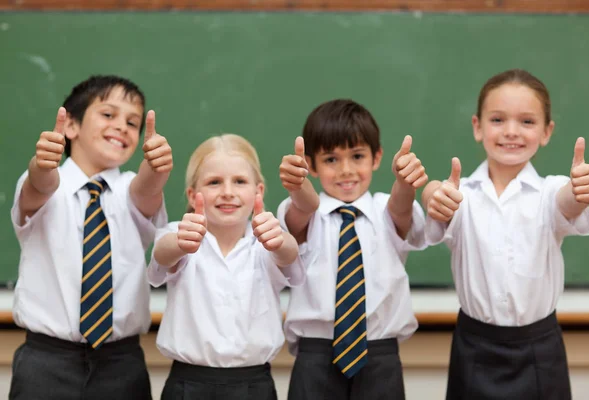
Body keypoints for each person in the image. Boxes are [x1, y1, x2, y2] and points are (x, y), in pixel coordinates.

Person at [422, 68, 589, 400]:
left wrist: (580, 189)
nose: (511, 132)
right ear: (477, 126)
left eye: (527, 122)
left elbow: (568, 202)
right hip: (473, 347)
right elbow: (437, 198)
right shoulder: (461, 195)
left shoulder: (552, 191)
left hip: (539, 350)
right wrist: (432, 192)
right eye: (498, 120)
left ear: (547, 132)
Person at [9, 75, 172, 400]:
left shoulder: (130, 189)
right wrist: (42, 163)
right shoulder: (45, 184)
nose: (122, 127)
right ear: (70, 125)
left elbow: (147, 189)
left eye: (133, 122)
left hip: (121, 363)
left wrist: (156, 169)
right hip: (46, 361)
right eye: (109, 115)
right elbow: (40, 184)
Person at [278, 99, 428, 399]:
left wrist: (405, 183)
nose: (346, 170)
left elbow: (401, 208)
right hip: (315, 356)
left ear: (376, 157)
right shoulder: (306, 214)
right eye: (331, 159)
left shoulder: (386, 210)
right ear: (311, 165)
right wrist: (297, 187)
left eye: (357, 156)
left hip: (380, 355)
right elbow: (299, 213)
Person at [148, 133, 305, 400]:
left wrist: (280, 241)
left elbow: (290, 256)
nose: (228, 192)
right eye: (214, 182)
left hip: (253, 385)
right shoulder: (178, 235)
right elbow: (162, 256)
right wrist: (180, 243)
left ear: (259, 192)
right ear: (192, 194)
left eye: (240, 181)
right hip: (188, 384)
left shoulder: (267, 241)